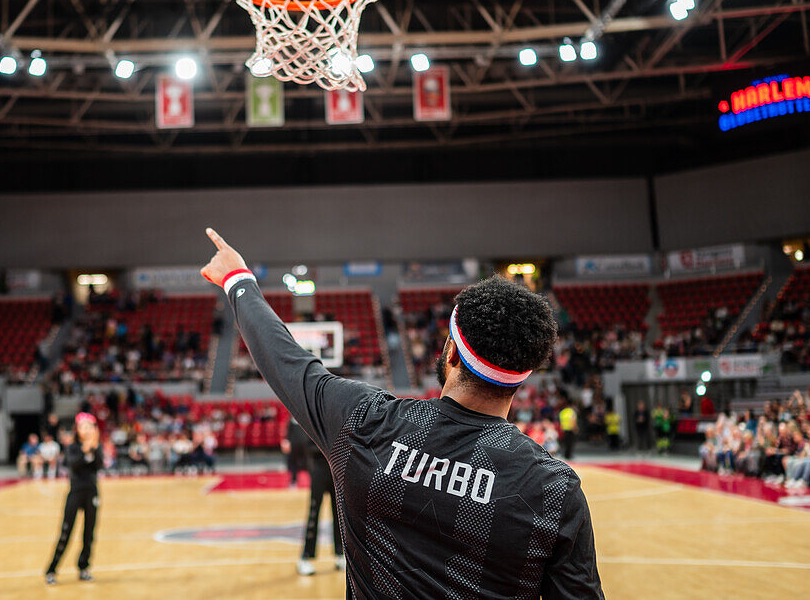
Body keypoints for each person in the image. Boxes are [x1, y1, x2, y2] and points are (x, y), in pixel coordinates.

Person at [201, 229, 602, 599]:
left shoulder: (366, 422)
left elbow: (286, 362)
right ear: (522, 378)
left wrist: (237, 279)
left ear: (450, 354)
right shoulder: (555, 491)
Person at [46, 413, 103, 585]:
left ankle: (84, 567)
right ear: (77, 430)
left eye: (89, 427)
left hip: (91, 492)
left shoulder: (96, 447)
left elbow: (98, 465)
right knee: (66, 532)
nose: (86, 430)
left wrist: (93, 448)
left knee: (89, 533)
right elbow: (73, 464)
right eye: (83, 427)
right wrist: (85, 449)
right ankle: (52, 569)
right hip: (76, 492)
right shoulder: (73, 447)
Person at [298, 438, 344, 576]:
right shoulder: (317, 419)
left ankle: (340, 553)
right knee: (314, 512)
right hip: (319, 467)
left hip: (335, 469)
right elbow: (308, 445)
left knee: (338, 513)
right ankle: (306, 557)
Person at [283, 418, 310, 488]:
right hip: (295, 444)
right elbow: (289, 433)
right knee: (294, 463)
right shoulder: (292, 421)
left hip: (304, 444)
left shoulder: (304, 420)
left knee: (307, 463)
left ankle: (309, 482)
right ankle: (293, 481)